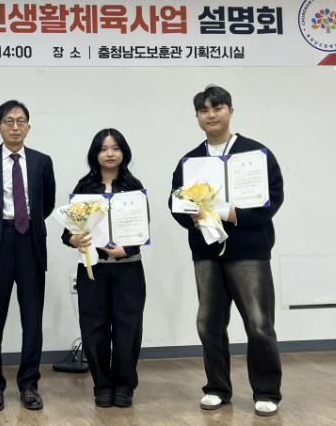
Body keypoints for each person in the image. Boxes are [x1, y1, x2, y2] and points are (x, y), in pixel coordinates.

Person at [169, 85, 284, 417]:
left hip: (249, 251)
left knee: (259, 324)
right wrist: (189, 216)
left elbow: (274, 197)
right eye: (204, 110)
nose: (211, 114)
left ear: (230, 110)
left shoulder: (256, 154)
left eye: (217, 108)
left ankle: (266, 391)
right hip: (207, 252)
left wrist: (236, 215)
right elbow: (175, 201)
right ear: (197, 117)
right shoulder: (190, 161)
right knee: (209, 323)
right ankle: (217, 387)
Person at [0, 100, 56, 412]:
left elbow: (46, 203)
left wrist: (26, 222)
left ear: (29, 126)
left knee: (32, 318)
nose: (15, 126)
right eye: (9, 121)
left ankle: (29, 384)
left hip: (30, 240)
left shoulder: (42, 161)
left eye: (20, 121)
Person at [61, 128, 147, 408]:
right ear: (95, 154)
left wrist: (128, 250)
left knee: (128, 328)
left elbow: (142, 229)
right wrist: (73, 239)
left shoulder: (134, 186)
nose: (110, 154)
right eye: (103, 148)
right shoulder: (84, 187)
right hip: (92, 269)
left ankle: (124, 385)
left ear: (124, 152)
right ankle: (102, 384)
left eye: (115, 148)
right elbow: (68, 232)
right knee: (93, 328)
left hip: (128, 269)